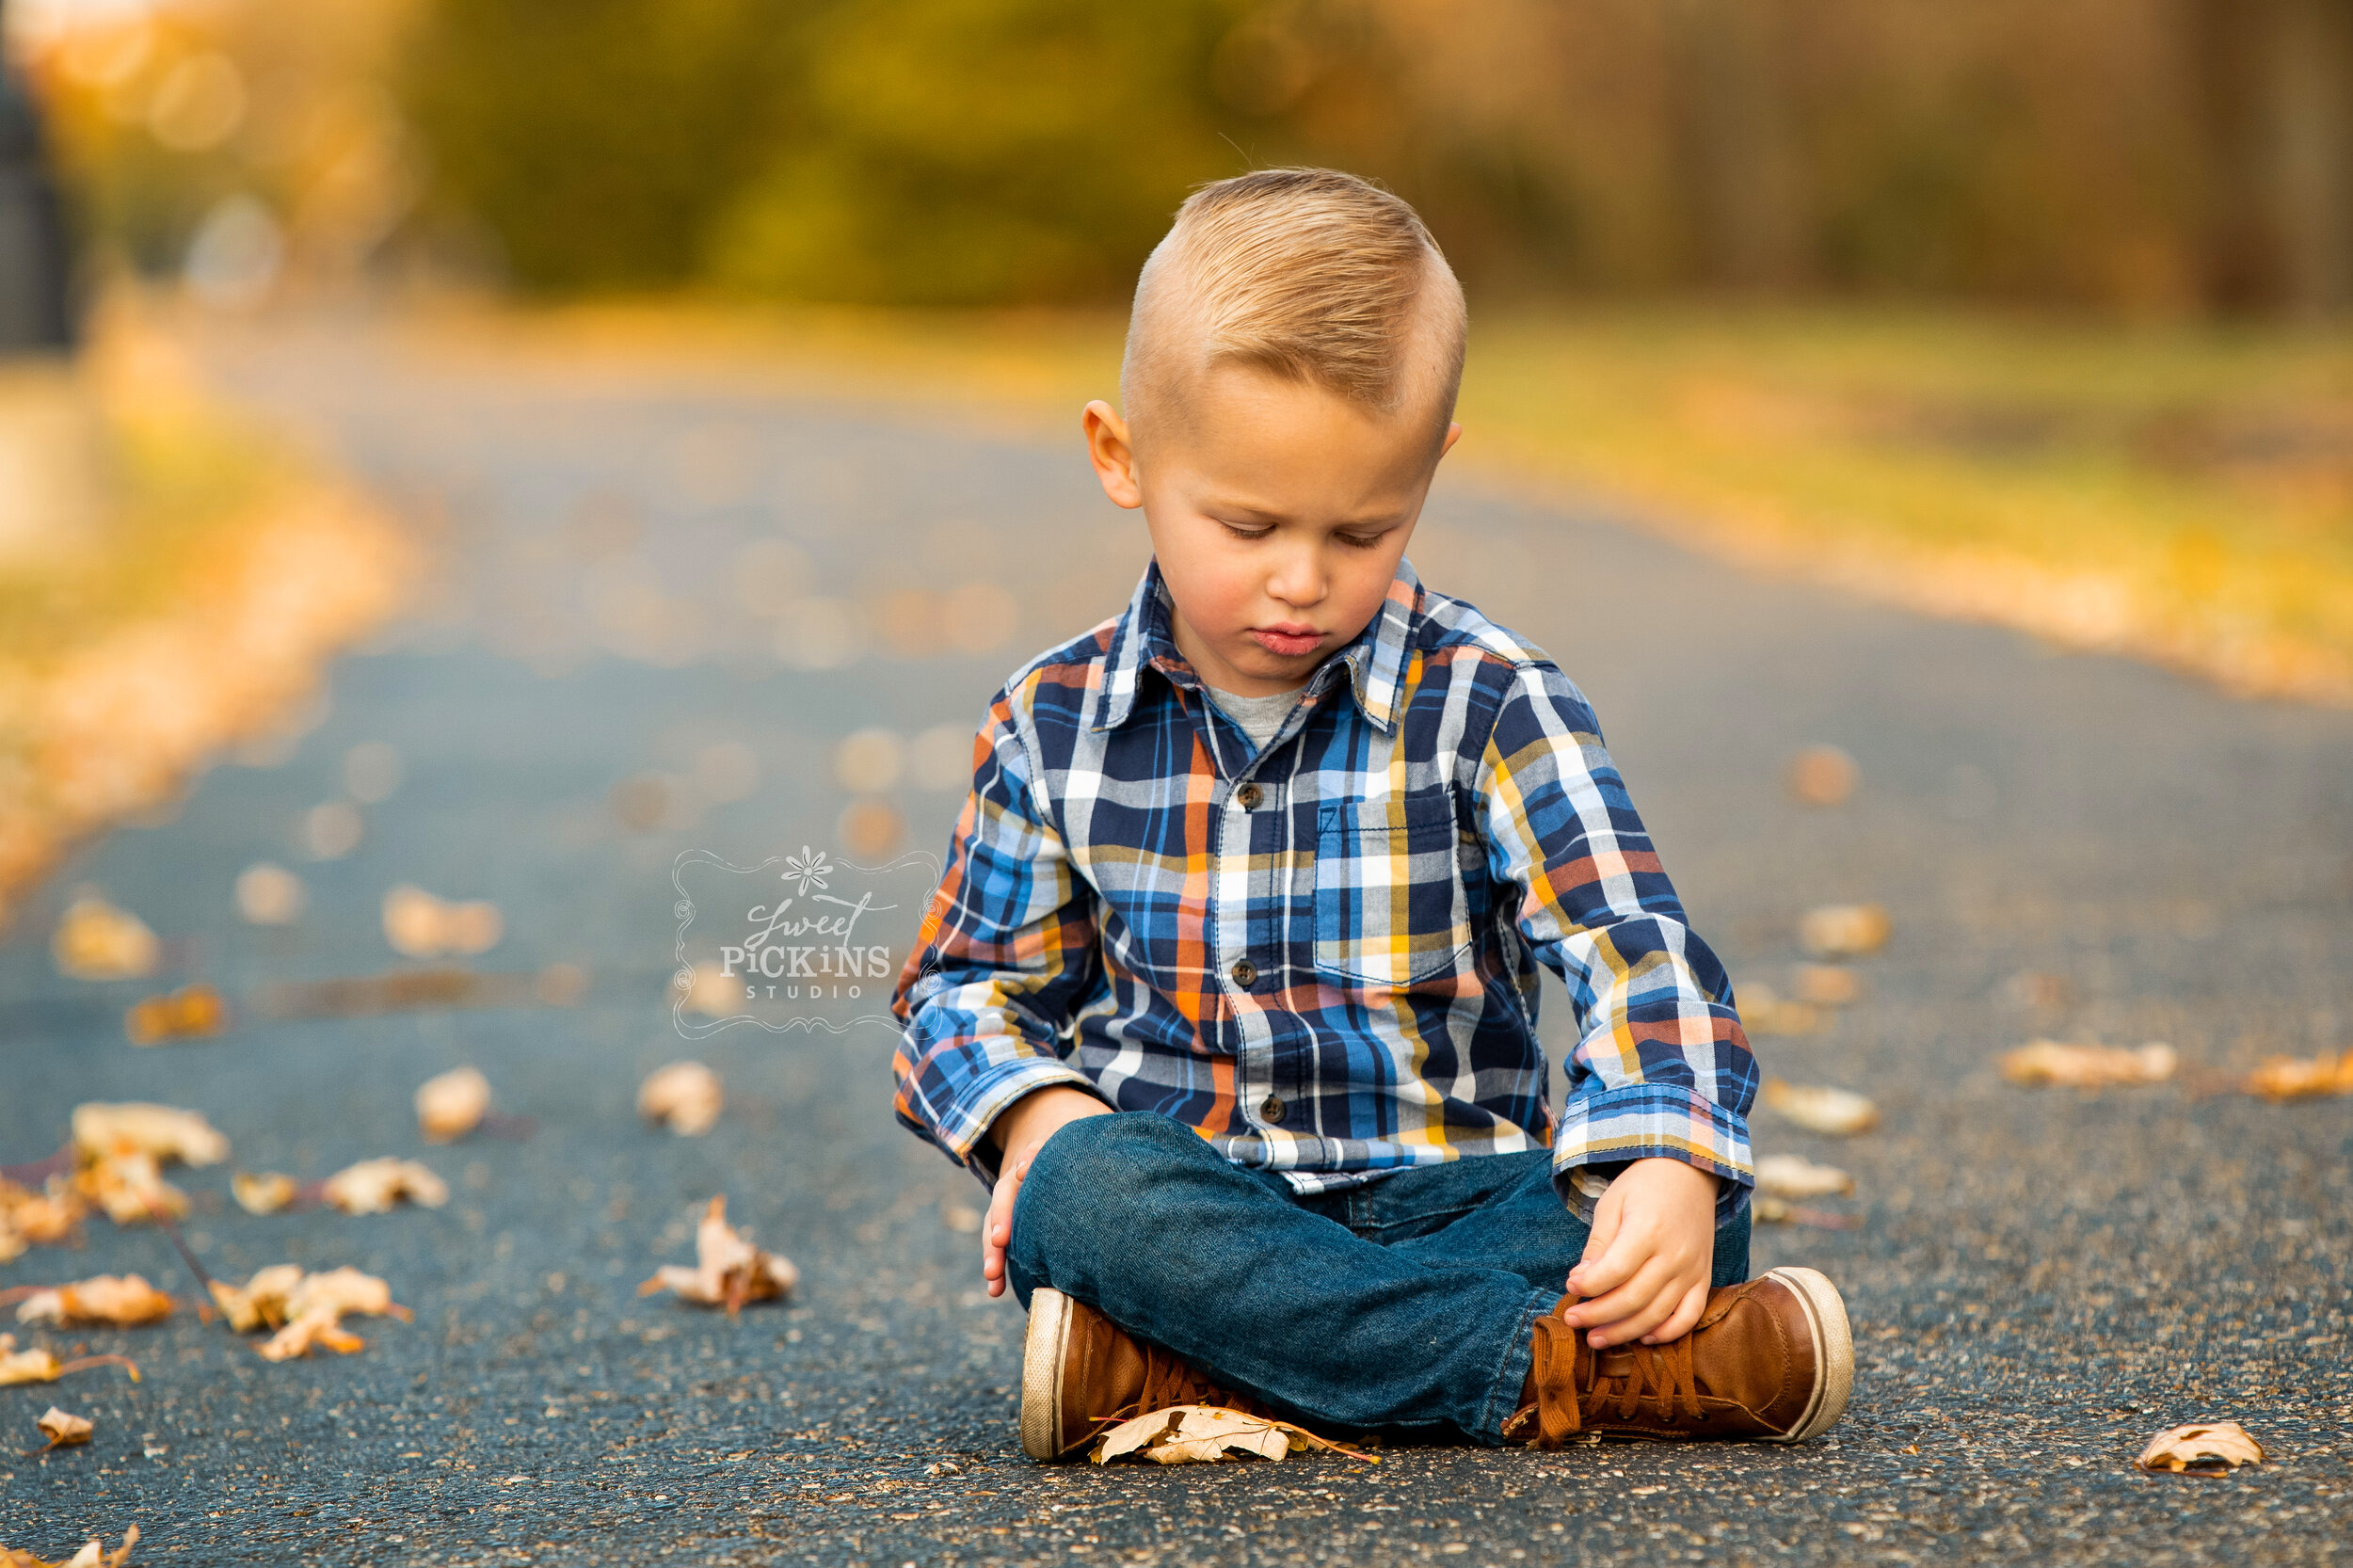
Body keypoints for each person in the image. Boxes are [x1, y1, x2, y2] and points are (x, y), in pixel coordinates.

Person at [889, 168, 1851, 1462]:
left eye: (1363, 528)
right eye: (1246, 523)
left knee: (1688, 1210)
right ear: (1123, 457)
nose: (1300, 579)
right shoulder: (1050, 720)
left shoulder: (1493, 701)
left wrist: (1668, 1158)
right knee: (1082, 1188)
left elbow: (1636, 947)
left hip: (1454, 1198)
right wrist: (1031, 1112)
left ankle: (1183, 1363)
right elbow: (962, 987)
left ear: (1429, 468)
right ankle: (1566, 1371)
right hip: (1199, 1213)